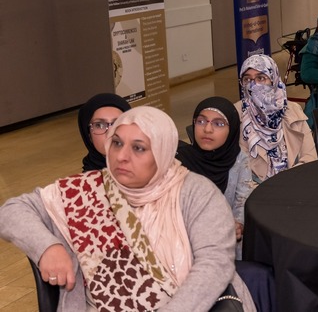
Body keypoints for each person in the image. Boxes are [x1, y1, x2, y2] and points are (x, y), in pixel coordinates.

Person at [0, 106, 255, 310]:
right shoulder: (85, 189)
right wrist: (48, 247)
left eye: (139, 148)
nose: (121, 157)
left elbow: (214, 264)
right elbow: (11, 210)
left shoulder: (195, 193)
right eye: (117, 143)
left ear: (163, 152)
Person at [236, 54, 317, 190]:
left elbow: (310, 157)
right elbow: (239, 174)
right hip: (257, 194)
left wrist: (287, 185)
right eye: (247, 79)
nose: (253, 85)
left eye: (261, 78)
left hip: (296, 186)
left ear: (273, 79)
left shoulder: (292, 109)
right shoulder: (236, 115)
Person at [176, 96, 247, 241]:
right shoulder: (178, 160)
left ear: (232, 129)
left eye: (218, 124)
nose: (207, 129)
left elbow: (243, 199)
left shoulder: (239, 159)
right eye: (201, 121)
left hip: (224, 244)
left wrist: (238, 224)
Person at [77, 93, 131, 172]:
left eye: (117, 122)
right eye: (99, 125)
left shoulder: (151, 171)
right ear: (88, 135)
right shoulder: (86, 182)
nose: (110, 133)